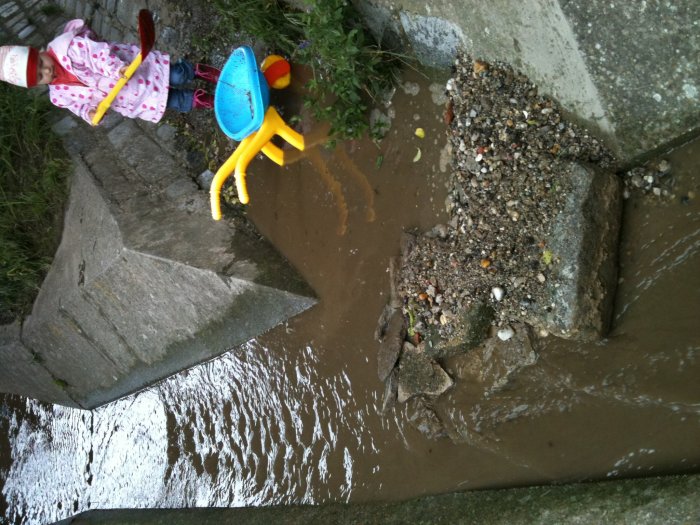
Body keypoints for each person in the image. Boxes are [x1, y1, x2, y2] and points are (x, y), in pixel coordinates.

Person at [0, 19, 220, 125]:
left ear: (38, 51)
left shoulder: (69, 48)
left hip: (136, 71)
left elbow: (98, 56)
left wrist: (116, 69)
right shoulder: (58, 96)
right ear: (37, 85)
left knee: (176, 75)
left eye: (41, 63)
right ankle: (211, 100)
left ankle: (199, 72)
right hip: (133, 98)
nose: (46, 70)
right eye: (40, 76)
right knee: (175, 100)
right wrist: (90, 114)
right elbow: (78, 107)